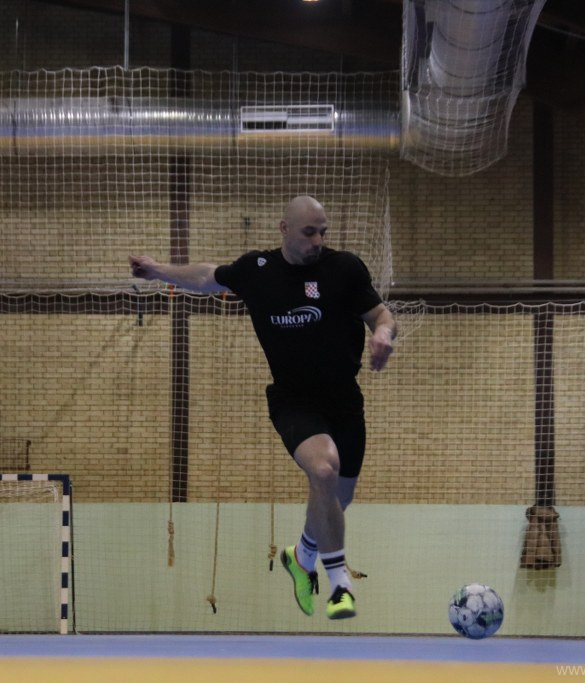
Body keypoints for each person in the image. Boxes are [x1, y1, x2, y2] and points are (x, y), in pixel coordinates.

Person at [129, 195, 396, 620]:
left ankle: (301, 555)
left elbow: (381, 314)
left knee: (336, 499)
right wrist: (159, 270)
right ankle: (339, 584)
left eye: (323, 232)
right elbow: (207, 275)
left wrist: (383, 333)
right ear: (284, 229)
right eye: (309, 232)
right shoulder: (258, 270)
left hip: (345, 401)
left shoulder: (344, 268)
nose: (318, 241)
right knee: (323, 470)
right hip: (293, 400)